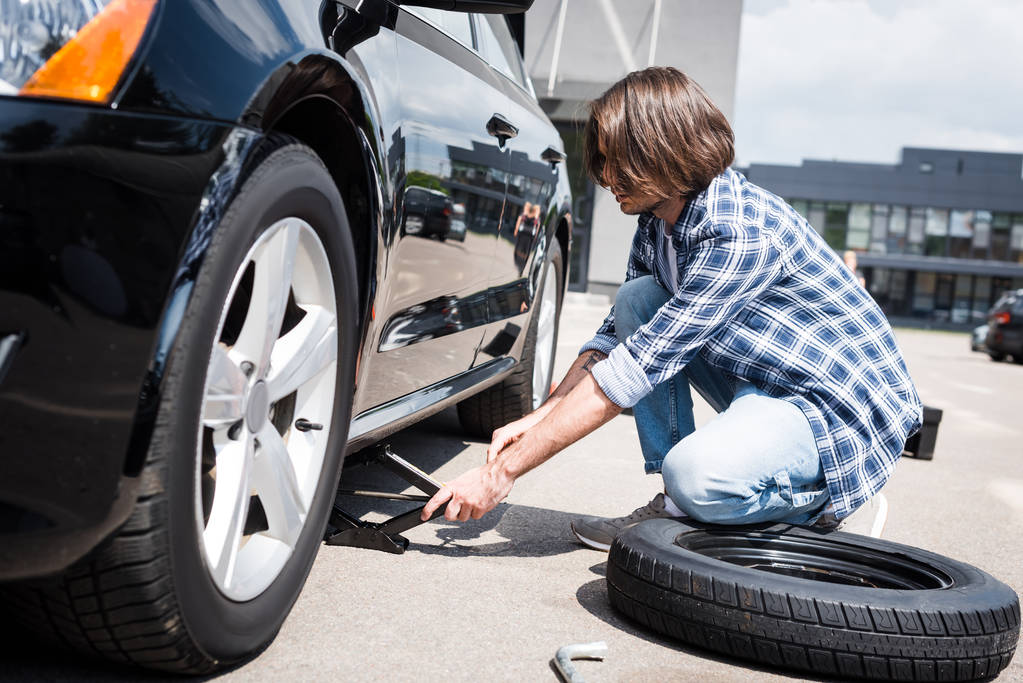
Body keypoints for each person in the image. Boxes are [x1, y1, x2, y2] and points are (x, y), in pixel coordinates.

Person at [422, 67, 922, 549]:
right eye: (601, 160)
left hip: (832, 412)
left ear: (664, 151)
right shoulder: (659, 219)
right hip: (768, 382)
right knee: (637, 299)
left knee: (697, 476)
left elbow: (636, 369)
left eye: (617, 161)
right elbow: (618, 336)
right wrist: (540, 416)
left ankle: (806, 506)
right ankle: (676, 504)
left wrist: (500, 473)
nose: (605, 177)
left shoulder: (738, 232)